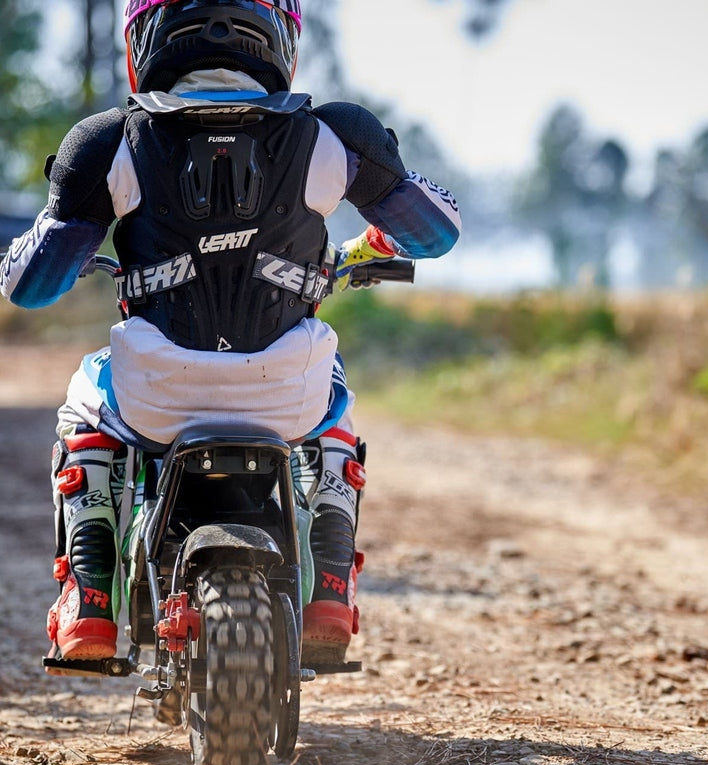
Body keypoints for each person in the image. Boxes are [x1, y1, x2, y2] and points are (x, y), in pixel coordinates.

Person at [0, 0, 460, 669]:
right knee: (334, 400)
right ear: (280, 35)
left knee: (83, 398)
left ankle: (89, 599)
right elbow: (438, 233)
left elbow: (32, 286)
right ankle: (330, 581)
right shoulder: (338, 135)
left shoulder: (106, 141)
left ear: (143, 33)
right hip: (287, 399)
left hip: (155, 400)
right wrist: (383, 232)